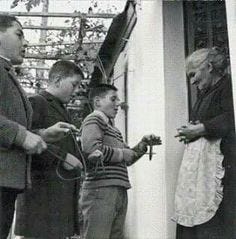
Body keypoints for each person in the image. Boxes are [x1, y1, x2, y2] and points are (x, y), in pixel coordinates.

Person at [0, 15, 78, 239]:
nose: (25, 43)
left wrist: (42, 134)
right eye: (19, 34)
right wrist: (21, 135)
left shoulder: (6, 72)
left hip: (8, 182)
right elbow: (16, 133)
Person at [14, 60, 86, 239]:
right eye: (74, 84)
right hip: (41, 198)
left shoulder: (61, 108)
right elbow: (25, 140)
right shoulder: (36, 102)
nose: (76, 91)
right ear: (58, 80)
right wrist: (62, 157)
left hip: (58, 196)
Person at [79, 84, 162, 239]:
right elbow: (91, 148)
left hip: (117, 189)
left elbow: (127, 157)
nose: (118, 103)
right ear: (97, 102)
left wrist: (143, 145)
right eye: (113, 99)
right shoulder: (94, 119)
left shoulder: (113, 129)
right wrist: (123, 154)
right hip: (101, 189)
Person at [174, 47, 236, 239]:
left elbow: (231, 117)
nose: (192, 81)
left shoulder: (228, 88)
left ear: (209, 66)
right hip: (200, 175)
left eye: (193, 74)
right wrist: (191, 132)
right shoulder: (205, 94)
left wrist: (201, 129)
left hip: (223, 170)